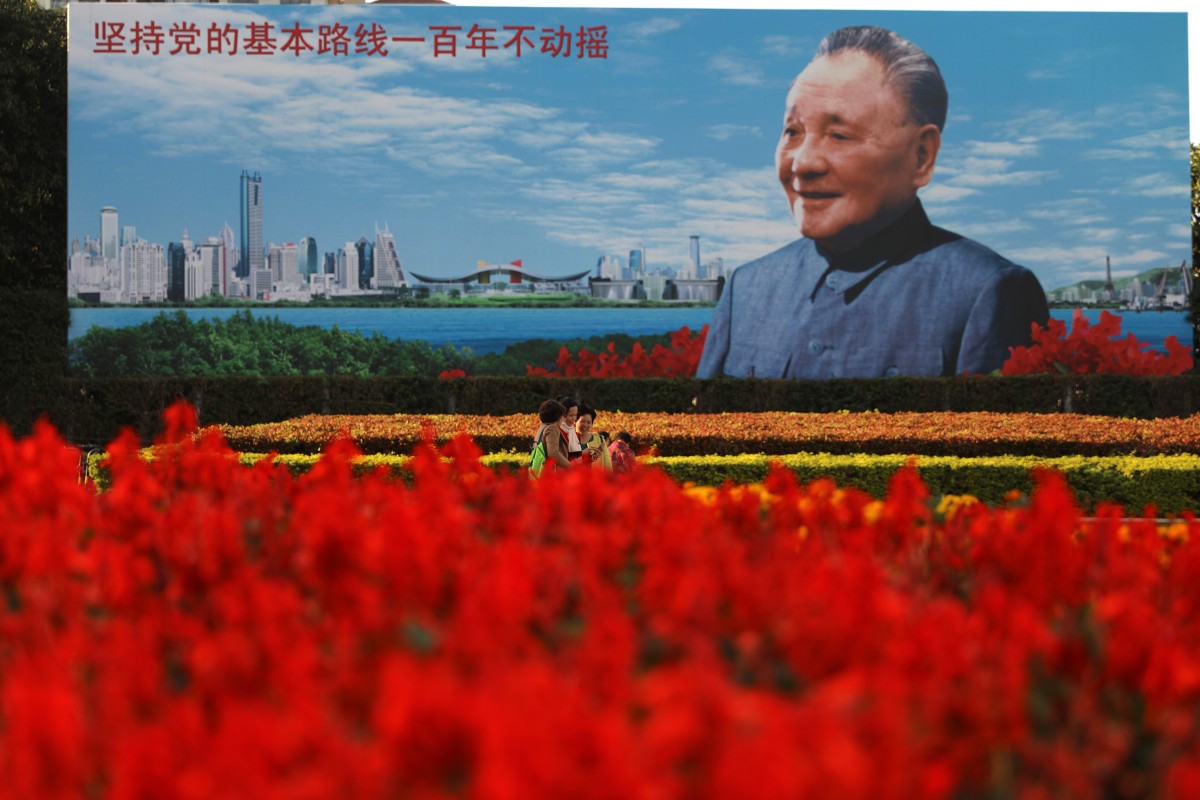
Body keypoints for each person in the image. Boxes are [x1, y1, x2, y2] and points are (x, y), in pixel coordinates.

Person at [696, 25, 1049, 380]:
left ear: (921, 156)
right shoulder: (748, 287)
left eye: (838, 135)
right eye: (793, 132)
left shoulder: (987, 291)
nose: (802, 163)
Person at [531, 398, 571, 477]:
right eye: (562, 415)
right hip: (552, 475)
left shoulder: (542, 428)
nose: (563, 419)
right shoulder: (552, 429)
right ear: (557, 416)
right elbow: (553, 453)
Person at [575, 405, 612, 471]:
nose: (585, 425)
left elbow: (607, 465)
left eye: (589, 422)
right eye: (582, 421)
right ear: (575, 421)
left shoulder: (599, 440)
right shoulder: (567, 439)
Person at [556, 395, 584, 462]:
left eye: (575, 415)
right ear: (563, 414)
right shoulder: (558, 432)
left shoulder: (573, 432)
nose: (574, 418)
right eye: (571, 415)